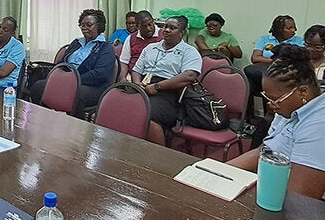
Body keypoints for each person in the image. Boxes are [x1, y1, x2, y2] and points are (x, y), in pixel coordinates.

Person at [229, 44, 325, 203]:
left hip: (316, 210)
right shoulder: (293, 107)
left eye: (274, 99)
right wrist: (215, 170)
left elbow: (300, 199)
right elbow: (264, 151)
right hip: (279, 186)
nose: (271, 105)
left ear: (302, 92)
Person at [29, 9, 116, 118]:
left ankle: (76, 129)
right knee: (38, 87)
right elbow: (62, 64)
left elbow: (100, 74)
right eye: (82, 25)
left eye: (89, 25)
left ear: (99, 26)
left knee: (75, 95)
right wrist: (60, 78)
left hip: (92, 86)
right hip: (68, 81)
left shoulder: (105, 48)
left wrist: (72, 81)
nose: (84, 27)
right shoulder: (76, 43)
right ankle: (46, 119)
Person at [131, 15, 202, 145]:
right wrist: (137, 84)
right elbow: (136, 70)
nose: (166, 30)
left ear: (182, 33)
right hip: (143, 87)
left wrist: (157, 86)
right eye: (165, 26)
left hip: (169, 93)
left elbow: (190, 76)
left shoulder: (189, 51)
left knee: (147, 113)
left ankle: (159, 157)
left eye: (172, 28)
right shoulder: (150, 48)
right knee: (122, 104)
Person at [244, 15, 303, 96]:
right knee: (249, 71)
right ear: (279, 29)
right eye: (289, 28)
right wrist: (276, 61)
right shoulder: (265, 39)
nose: (293, 30)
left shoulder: (300, 41)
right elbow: (255, 58)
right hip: (265, 71)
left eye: (294, 27)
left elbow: (299, 60)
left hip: (286, 72)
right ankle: (251, 103)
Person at [118, 10, 161, 81]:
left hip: (156, 75)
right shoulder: (131, 38)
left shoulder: (163, 35)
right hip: (133, 75)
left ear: (153, 22)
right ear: (137, 26)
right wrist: (122, 77)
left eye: (150, 24)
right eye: (144, 26)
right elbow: (124, 61)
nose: (148, 28)